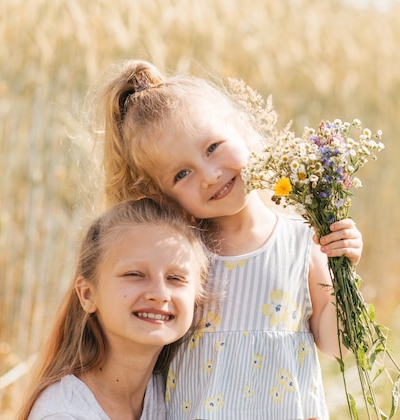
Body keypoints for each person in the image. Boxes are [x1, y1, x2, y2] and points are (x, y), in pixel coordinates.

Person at [90, 60, 364, 419]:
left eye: (213, 147)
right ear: (162, 193)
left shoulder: (301, 238)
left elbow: (337, 345)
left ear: (242, 129)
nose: (209, 175)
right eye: (182, 174)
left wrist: (344, 269)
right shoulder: (179, 258)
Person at [17, 197, 210, 420]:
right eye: (134, 274)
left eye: (175, 278)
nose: (159, 294)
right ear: (88, 294)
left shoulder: (175, 393)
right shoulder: (63, 414)